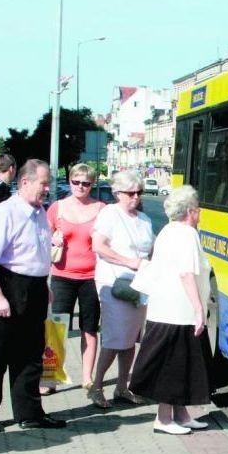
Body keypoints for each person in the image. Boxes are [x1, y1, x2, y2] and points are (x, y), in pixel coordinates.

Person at [129, 185, 211, 435]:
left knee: (181, 365)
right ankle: (163, 419)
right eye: (197, 209)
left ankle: (181, 414)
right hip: (178, 312)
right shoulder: (186, 234)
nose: (199, 214)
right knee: (172, 367)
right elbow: (187, 273)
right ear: (190, 211)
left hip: (167, 309)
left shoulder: (168, 230)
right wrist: (199, 310)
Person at [0, 159, 66, 432]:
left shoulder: (39, 211)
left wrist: (42, 285)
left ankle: (29, 413)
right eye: (44, 183)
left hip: (33, 287)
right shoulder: (5, 212)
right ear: (25, 182)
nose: (48, 188)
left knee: (30, 353)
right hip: (7, 285)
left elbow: (36, 252)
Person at [89, 171, 154, 408]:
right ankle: (96, 387)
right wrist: (129, 262)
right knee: (115, 337)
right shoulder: (109, 214)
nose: (135, 197)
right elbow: (99, 246)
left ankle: (122, 387)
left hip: (139, 286)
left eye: (139, 192)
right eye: (130, 193)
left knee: (131, 337)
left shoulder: (144, 219)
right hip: (114, 284)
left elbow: (151, 250)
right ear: (118, 193)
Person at [45, 164, 105, 394]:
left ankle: (87, 378)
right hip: (62, 276)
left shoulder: (101, 208)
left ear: (92, 184)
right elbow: (43, 238)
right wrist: (53, 241)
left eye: (86, 183)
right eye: (76, 182)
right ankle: (50, 377)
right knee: (56, 327)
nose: (81, 186)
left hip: (92, 277)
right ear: (69, 181)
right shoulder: (57, 208)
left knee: (89, 329)